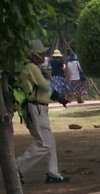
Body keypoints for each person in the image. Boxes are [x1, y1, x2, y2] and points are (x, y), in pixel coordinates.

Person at [19, 42, 69, 182]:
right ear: (33, 54)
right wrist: (54, 89)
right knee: (44, 143)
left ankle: (52, 173)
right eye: (41, 53)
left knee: (50, 142)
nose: (44, 55)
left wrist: (58, 97)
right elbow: (45, 86)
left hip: (39, 106)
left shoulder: (33, 67)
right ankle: (18, 167)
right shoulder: (31, 67)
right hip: (36, 107)